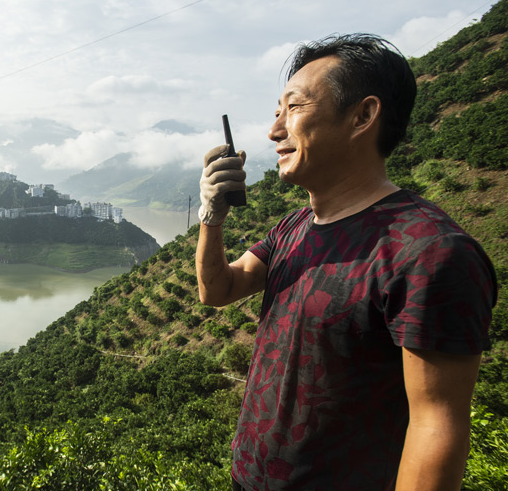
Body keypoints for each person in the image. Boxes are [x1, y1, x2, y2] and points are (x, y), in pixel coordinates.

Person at [195, 34, 497, 491]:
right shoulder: (291, 228)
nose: (275, 131)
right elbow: (218, 291)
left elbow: (435, 428)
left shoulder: (429, 252)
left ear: (362, 116)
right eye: (276, 112)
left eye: (293, 108)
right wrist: (210, 217)